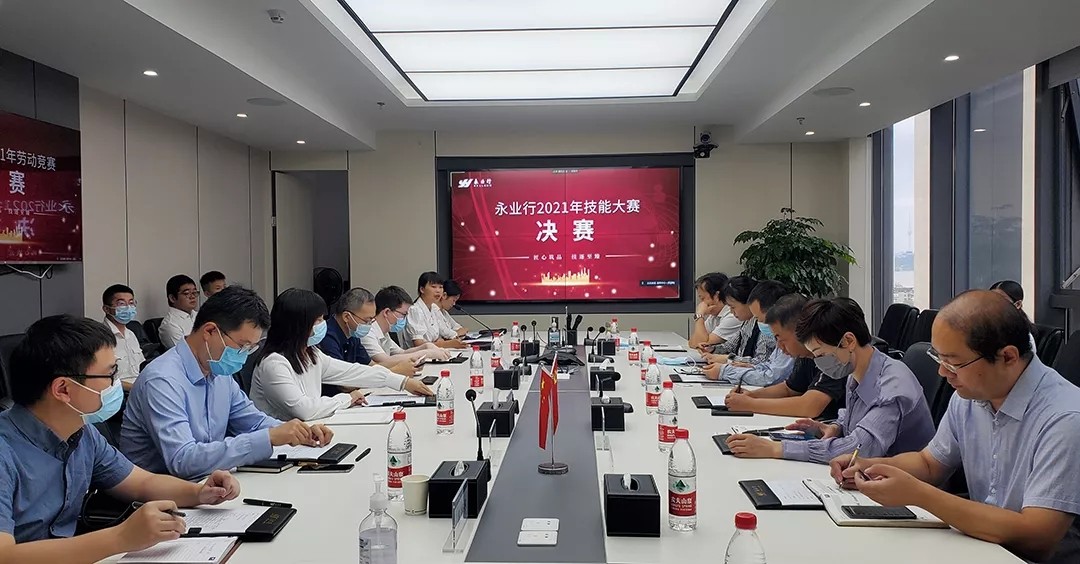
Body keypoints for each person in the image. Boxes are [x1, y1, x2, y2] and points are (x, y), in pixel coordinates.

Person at [836, 290, 1080, 564]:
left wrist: (920, 495)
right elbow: (930, 463)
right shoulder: (971, 396)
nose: (943, 372)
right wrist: (868, 465)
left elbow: (1038, 537)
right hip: (979, 545)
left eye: (954, 363)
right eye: (939, 359)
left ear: (1008, 357)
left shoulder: (1065, 417)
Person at [0, 315, 241, 563]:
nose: (116, 384)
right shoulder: (5, 451)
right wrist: (120, 537)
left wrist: (200, 492)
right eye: (110, 374)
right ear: (63, 389)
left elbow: (141, 483)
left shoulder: (82, 433)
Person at [121, 286, 334, 480]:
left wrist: (297, 432)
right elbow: (183, 460)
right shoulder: (163, 380)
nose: (244, 355)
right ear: (210, 331)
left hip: (210, 482)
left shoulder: (218, 371)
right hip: (161, 497)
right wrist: (268, 438)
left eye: (251, 348)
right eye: (242, 346)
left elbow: (252, 421)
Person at [726, 297, 935, 462]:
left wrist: (776, 448)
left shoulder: (891, 387)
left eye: (820, 354)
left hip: (904, 490)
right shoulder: (858, 370)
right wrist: (834, 427)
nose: (818, 363)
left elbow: (859, 449)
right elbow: (855, 418)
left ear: (848, 341)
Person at [250, 289, 433, 422]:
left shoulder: (311, 354)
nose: (322, 325)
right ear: (298, 325)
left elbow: (352, 371)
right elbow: (305, 410)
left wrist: (402, 382)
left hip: (311, 432)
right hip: (283, 447)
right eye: (318, 320)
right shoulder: (273, 363)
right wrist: (347, 398)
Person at [724, 294, 847, 420]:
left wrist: (750, 404)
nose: (779, 346)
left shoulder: (831, 356)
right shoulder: (806, 356)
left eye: (780, 339)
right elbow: (789, 389)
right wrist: (752, 395)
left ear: (800, 332)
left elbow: (810, 407)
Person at [704, 281, 792, 386]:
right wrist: (746, 367)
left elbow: (771, 377)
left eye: (733, 307)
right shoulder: (749, 323)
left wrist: (726, 368)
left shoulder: (787, 340)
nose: (758, 322)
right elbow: (767, 366)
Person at [321, 287, 418, 378]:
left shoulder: (353, 334)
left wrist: (400, 368)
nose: (370, 325)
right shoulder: (328, 337)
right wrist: (396, 371)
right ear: (346, 317)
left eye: (371, 320)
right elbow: (343, 381)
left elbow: (371, 365)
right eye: (367, 320)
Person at [362, 286, 451, 364]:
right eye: (404, 314)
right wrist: (427, 353)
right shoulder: (368, 332)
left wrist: (426, 346)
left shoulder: (384, 332)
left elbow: (401, 353)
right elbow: (385, 360)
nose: (405, 318)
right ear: (387, 312)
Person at [700, 276, 774, 368]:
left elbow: (762, 362)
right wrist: (712, 349)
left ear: (748, 302)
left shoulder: (764, 326)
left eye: (733, 307)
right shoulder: (747, 322)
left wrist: (728, 359)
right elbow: (730, 345)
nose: (731, 311)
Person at [101, 284, 145, 390]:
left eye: (131, 303)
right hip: (119, 392)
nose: (128, 308)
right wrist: (136, 388)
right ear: (106, 309)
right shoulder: (100, 337)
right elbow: (103, 378)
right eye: (121, 304)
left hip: (139, 387)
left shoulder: (131, 334)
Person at [406, 272, 464, 348]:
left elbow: (439, 336)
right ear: (422, 289)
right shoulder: (415, 310)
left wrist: (440, 341)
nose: (438, 291)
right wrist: (446, 344)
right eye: (433, 287)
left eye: (440, 287)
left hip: (434, 351)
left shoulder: (433, 308)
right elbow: (419, 344)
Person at [688, 272, 743, 349]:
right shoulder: (714, 315)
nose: (702, 303)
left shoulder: (733, 315)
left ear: (716, 296)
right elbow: (693, 343)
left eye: (703, 298)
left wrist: (699, 315)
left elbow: (702, 343)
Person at [990, 280, 1037, 353]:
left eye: (1001, 300)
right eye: (991, 300)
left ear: (1017, 304)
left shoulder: (1021, 333)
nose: (994, 305)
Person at [158, 275, 199, 348]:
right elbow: (185, 352)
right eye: (186, 293)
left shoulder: (200, 315)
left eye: (194, 292)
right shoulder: (170, 325)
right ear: (172, 298)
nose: (192, 297)